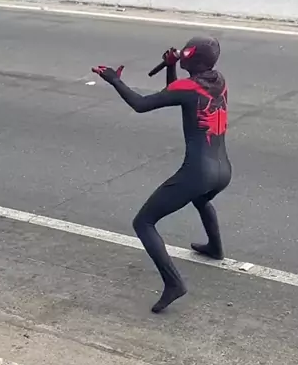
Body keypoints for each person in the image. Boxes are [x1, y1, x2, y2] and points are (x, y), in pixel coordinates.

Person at [92, 35, 231, 313]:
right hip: (223, 171)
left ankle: (173, 283)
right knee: (201, 198)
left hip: (198, 173)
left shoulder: (187, 88)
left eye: (185, 53)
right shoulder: (218, 81)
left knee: (143, 222)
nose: (182, 54)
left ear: (192, 59)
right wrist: (171, 66)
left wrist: (114, 80)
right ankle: (215, 248)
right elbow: (175, 93)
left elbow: (141, 104)